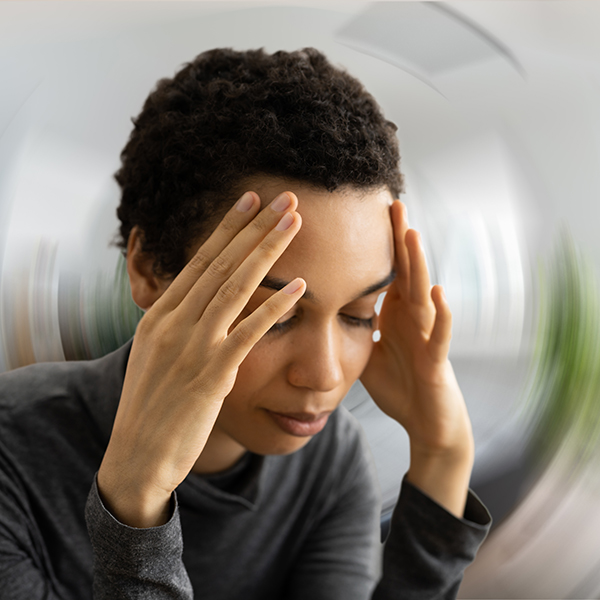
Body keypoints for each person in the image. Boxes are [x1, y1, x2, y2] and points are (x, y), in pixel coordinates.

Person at [0, 48, 491, 599]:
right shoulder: (11, 453)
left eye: (359, 316)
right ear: (145, 268)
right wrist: (133, 508)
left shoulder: (328, 462)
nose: (325, 375)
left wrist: (444, 453)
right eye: (271, 316)